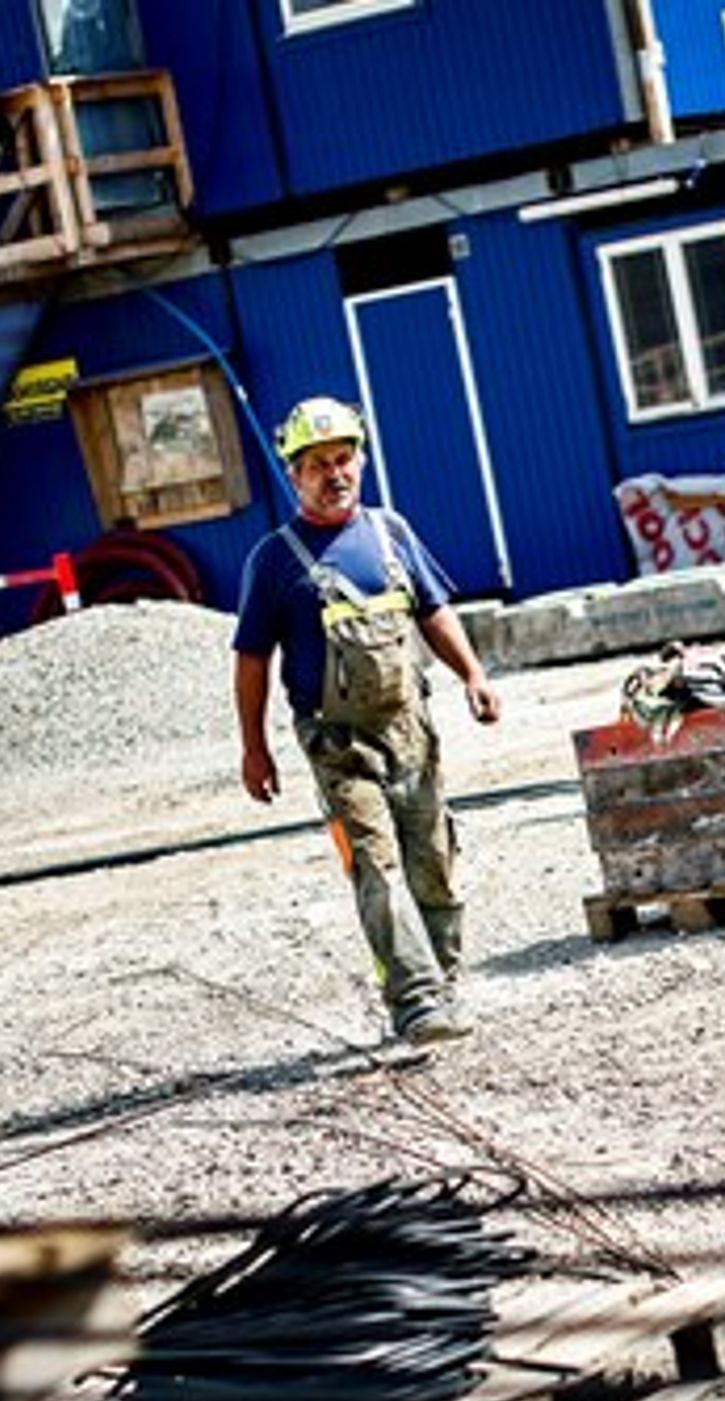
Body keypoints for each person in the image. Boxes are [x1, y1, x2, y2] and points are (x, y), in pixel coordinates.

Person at [233, 396, 501, 1045]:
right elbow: (251, 661)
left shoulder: (392, 534)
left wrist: (472, 673)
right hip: (336, 743)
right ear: (292, 472)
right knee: (377, 866)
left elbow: (434, 612)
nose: (336, 472)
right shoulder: (273, 560)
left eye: (345, 457)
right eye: (318, 463)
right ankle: (413, 1002)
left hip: (411, 728)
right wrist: (253, 748)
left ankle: (441, 983)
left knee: (433, 860)